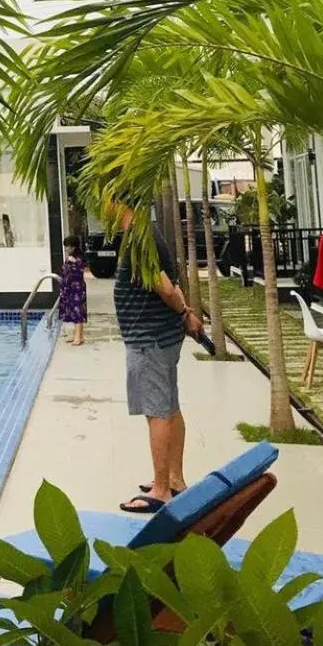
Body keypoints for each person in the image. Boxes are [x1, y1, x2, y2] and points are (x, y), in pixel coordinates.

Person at [114, 203, 203, 514]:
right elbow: (170, 283)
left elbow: (164, 287)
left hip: (149, 340)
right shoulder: (148, 232)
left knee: (157, 412)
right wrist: (186, 315)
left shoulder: (139, 238)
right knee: (169, 406)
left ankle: (161, 489)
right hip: (159, 336)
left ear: (118, 200)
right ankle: (174, 480)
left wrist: (184, 312)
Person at [59, 235, 88, 346]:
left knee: (78, 312)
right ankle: (79, 336)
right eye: (66, 247)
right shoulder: (71, 257)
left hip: (77, 288)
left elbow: (78, 273)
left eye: (68, 247)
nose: (66, 249)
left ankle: (78, 338)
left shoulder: (78, 258)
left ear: (74, 247)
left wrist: (73, 262)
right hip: (70, 288)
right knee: (73, 311)